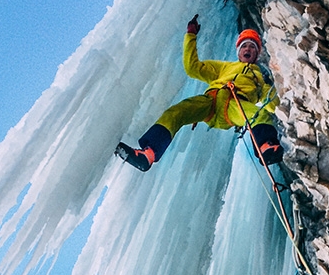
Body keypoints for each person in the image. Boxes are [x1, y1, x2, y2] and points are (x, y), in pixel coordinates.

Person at [116, 15, 283, 172]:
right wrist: (190, 36)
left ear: (257, 53)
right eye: (244, 45)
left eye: (252, 46)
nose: (248, 48)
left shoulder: (260, 78)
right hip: (210, 100)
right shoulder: (224, 67)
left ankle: (265, 147)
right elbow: (192, 67)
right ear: (238, 51)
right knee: (176, 112)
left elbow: (272, 105)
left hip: (235, 105)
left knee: (258, 115)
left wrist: (272, 84)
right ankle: (148, 154)